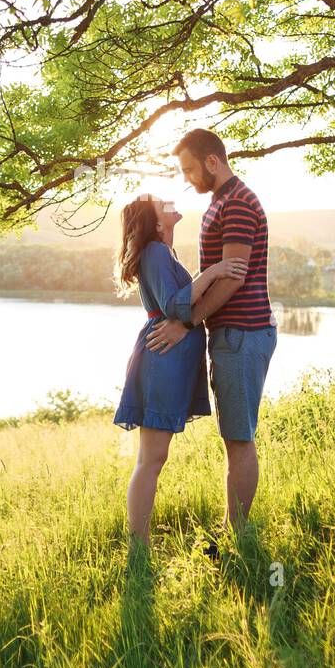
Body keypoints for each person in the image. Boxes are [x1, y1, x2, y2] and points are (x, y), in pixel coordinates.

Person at [147, 129, 276, 555]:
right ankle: (232, 532)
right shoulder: (221, 202)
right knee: (233, 436)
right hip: (232, 334)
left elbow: (234, 278)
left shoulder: (237, 203)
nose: (187, 179)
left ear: (213, 162)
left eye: (189, 169)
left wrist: (189, 322)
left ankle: (237, 541)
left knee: (239, 438)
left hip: (242, 334)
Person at [113, 193, 247, 547]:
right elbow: (176, 305)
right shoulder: (155, 251)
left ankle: (138, 543)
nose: (171, 203)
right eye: (163, 204)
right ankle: (138, 547)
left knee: (155, 456)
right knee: (152, 458)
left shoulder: (162, 251)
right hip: (163, 357)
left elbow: (182, 302)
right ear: (156, 222)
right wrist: (214, 271)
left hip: (172, 357)